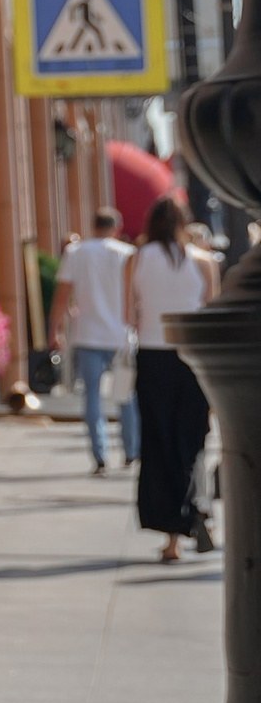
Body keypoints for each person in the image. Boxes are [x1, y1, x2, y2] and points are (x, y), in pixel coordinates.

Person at [127, 194, 215, 563]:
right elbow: (212, 313)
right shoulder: (203, 260)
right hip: (193, 357)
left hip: (153, 356)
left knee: (158, 441)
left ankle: (172, 539)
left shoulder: (137, 259)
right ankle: (195, 509)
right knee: (191, 440)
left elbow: (128, 315)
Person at [53, 205, 137, 476]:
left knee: (92, 396)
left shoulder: (76, 252)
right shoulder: (128, 254)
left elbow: (62, 294)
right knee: (125, 395)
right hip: (122, 337)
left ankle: (99, 455)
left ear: (93, 226)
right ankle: (131, 451)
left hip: (88, 335)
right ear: (117, 227)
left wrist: (55, 329)